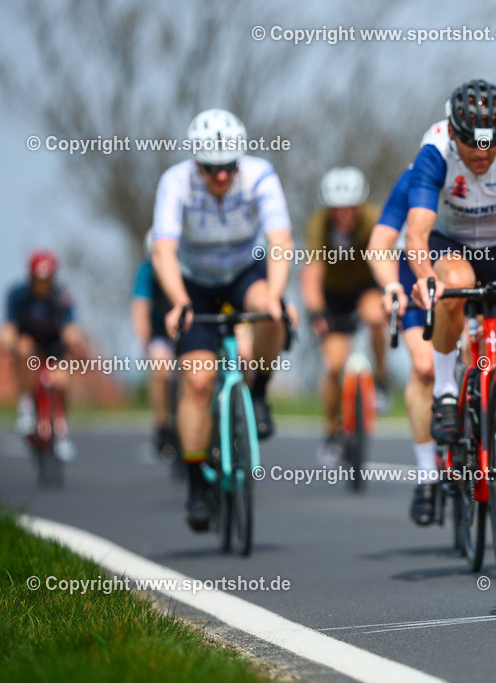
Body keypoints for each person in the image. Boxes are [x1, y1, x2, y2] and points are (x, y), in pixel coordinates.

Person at [407, 81, 496, 543]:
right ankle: (446, 390)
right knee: (454, 287)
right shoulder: (436, 149)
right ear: (454, 132)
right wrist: (425, 277)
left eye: (489, 144)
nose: (481, 154)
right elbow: (418, 231)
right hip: (453, 247)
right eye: (471, 145)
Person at [152, 109, 295, 532]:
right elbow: (163, 249)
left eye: (228, 167)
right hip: (194, 282)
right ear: (197, 163)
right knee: (197, 381)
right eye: (211, 168)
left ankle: (261, 393)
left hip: (243, 272)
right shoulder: (175, 181)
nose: (221, 177)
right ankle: (197, 482)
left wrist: (274, 294)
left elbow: (281, 241)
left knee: (273, 315)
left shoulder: (260, 175)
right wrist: (178, 301)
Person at [366, 120, 454, 525]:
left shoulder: (487, 175)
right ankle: (426, 474)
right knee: (423, 367)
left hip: (464, 273)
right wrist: (390, 288)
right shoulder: (415, 177)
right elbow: (380, 245)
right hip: (415, 280)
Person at [301, 167, 389, 467]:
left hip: (366, 284)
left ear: (360, 205)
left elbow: (386, 256)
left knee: (377, 317)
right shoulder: (318, 224)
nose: (344, 215)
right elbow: (312, 272)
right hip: (333, 293)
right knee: (334, 363)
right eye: (337, 210)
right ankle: (330, 432)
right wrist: (317, 312)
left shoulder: (374, 218)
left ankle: (380, 379)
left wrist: (391, 293)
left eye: (350, 208)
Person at [0, 250, 83, 461]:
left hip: (53, 343)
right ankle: (26, 406)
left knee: (62, 380)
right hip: (28, 342)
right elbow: (9, 327)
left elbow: (71, 326)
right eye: (39, 279)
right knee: (24, 350)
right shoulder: (17, 294)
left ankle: (61, 431)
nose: (43, 284)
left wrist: (72, 337)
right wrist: (9, 339)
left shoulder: (62, 296)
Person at [131, 230, 176, 458]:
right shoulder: (146, 272)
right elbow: (140, 306)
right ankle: (162, 426)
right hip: (160, 332)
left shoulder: (187, 268)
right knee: (160, 370)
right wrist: (144, 338)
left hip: (187, 327)